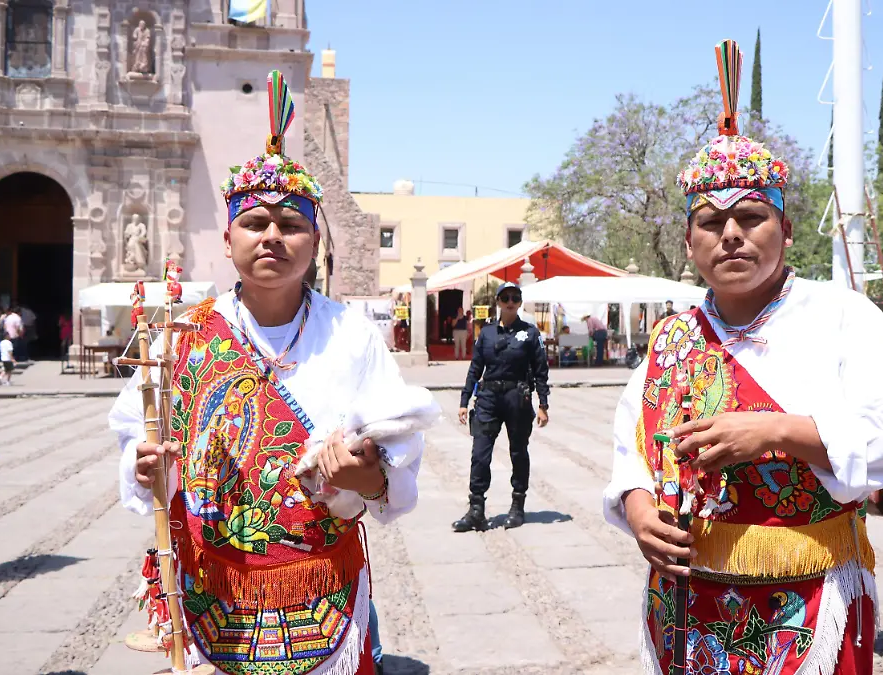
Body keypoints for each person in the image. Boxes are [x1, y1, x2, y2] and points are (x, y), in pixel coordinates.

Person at [603, 41, 883, 675]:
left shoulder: (840, 316)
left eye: (751, 217)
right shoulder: (672, 338)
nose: (730, 235)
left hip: (807, 600)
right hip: (686, 603)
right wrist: (639, 510)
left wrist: (777, 431)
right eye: (710, 222)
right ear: (689, 240)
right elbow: (630, 452)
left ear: (783, 227)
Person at [108, 71, 435, 675]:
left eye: (290, 225)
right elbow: (135, 430)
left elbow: (398, 457)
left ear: (315, 240)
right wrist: (145, 462)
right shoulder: (184, 335)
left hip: (324, 591)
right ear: (229, 235)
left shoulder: (353, 334)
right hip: (210, 592)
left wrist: (369, 476)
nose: (272, 237)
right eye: (255, 223)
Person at [454, 282, 551, 532]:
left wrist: (543, 404)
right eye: (505, 297)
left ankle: (517, 505)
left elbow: (541, 370)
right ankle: (476, 509)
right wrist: (465, 401)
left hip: (517, 398)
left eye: (515, 298)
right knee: (479, 454)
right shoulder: (486, 333)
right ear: (498, 301)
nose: (510, 301)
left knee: (518, 452)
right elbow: (475, 368)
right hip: (488, 398)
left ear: (519, 302)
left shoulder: (530, 333)